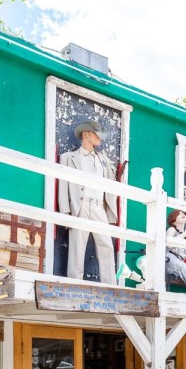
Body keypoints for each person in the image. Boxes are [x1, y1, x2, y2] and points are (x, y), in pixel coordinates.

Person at [57, 121, 118, 283]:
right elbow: (63, 186)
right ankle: (74, 282)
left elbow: (111, 184)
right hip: (81, 204)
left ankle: (110, 285)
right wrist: (66, 212)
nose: (100, 139)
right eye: (96, 135)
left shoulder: (103, 160)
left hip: (99, 206)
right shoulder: (68, 158)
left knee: (107, 246)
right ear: (85, 134)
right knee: (77, 246)